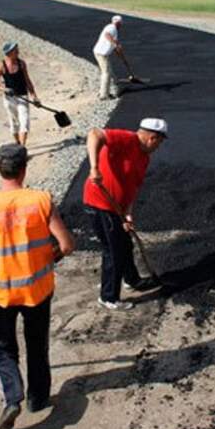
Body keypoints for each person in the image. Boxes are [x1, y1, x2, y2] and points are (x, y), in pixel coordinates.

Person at [0, 143, 75, 429]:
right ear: (24, 168)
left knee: (1, 347)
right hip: (37, 290)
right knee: (37, 345)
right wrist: (50, 256)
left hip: (1, 294)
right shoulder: (40, 200)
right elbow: (66, 244)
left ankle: (12, 398)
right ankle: (37, 399)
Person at [83, 118, 167, 310]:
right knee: (114, 251)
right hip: (100, 203)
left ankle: (132, 280)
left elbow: (133, 187)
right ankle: (108, 297)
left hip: (118, 209)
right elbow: (94, 134)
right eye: (159, 142)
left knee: (125, 244)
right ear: (152, 138)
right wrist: (94, 167)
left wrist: (128, 214)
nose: (159, 147)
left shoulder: (144, 158)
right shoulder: (127, 139)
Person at [0, 42, 39, 145]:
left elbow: (27, 81)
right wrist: (5, 89)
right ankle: (18, 144)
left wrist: (34, 96)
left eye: (17, 50)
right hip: (9, 99)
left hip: (22, 97)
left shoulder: (21, 64)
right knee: (14, 123)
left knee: (24, 122)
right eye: (15, 50)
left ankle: (22, 147)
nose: (18, 52)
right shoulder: (1, 66)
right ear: (9, 53)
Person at [92, 15, 123, 100]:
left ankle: (116, 89)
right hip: (100, 53)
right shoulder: (111, 27)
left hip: (103, 54)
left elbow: (115, 44)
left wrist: (119, 54)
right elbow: (107, 35)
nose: (121, 25)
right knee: (106, 73)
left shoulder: (115, 30)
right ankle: (104, 95)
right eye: (120, 23)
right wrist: (115, 44)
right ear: (118, 23)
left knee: (110, 72)